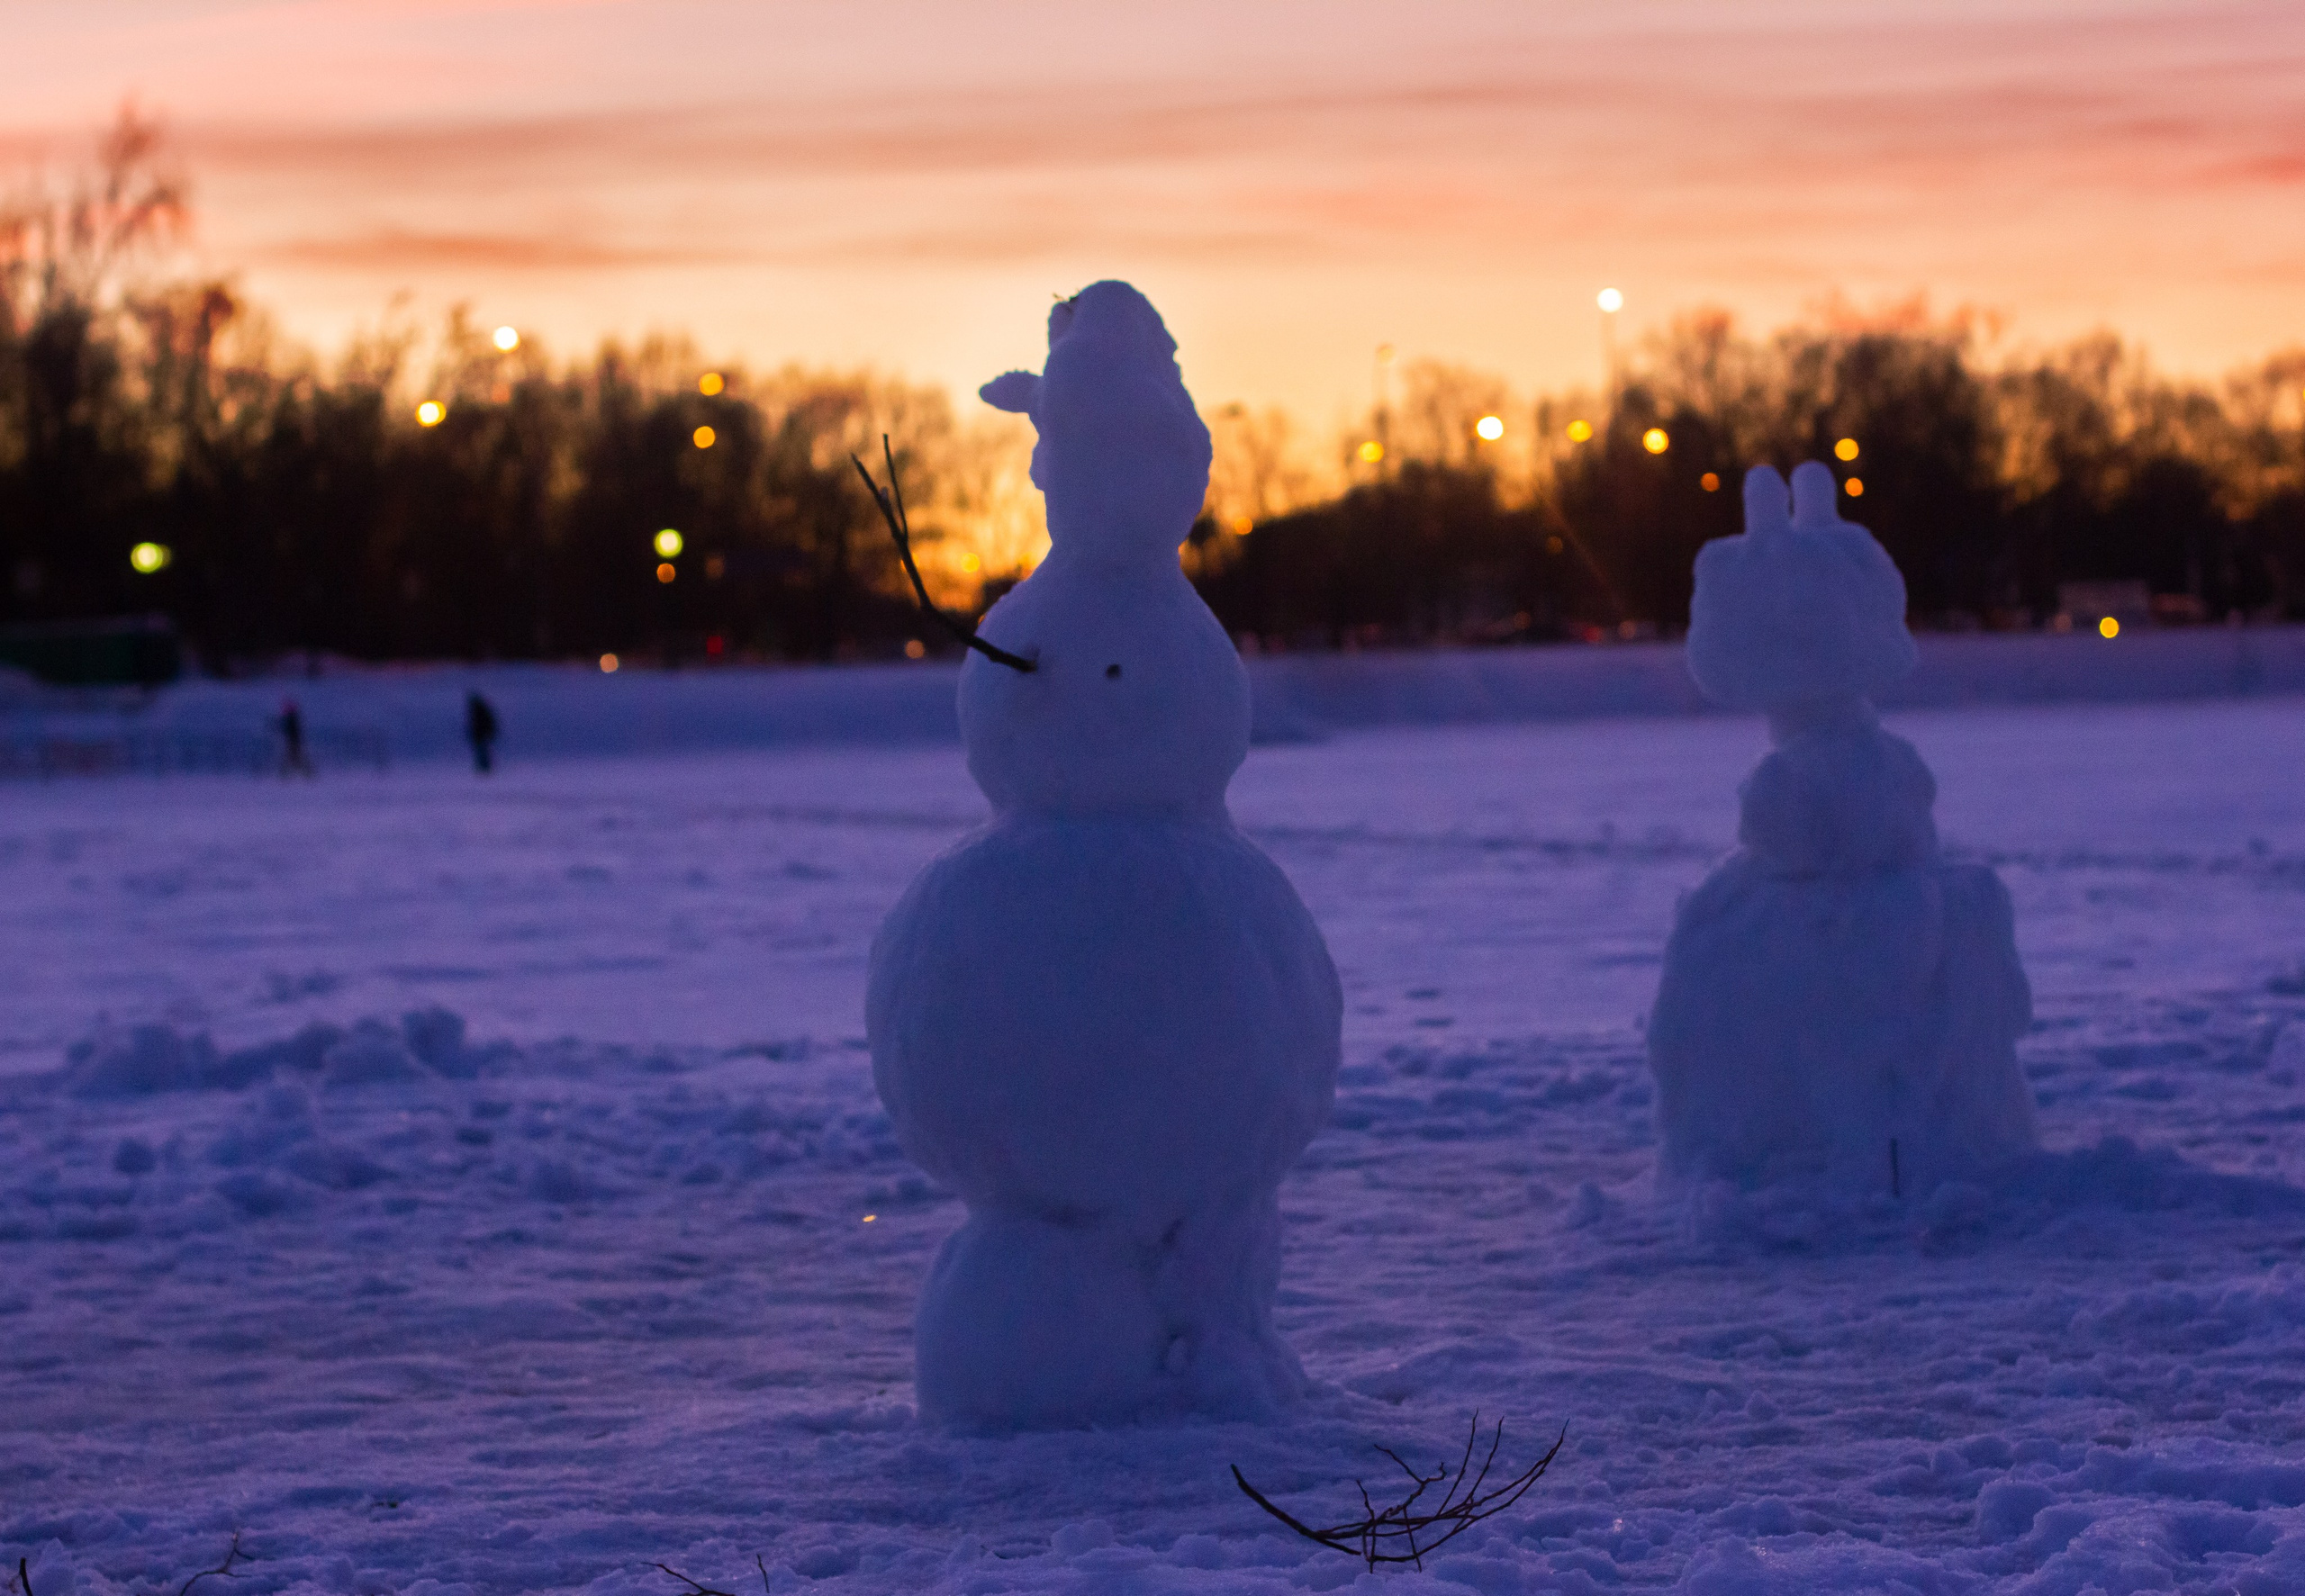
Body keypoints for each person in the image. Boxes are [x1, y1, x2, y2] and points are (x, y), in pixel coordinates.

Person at [277, 697, 313, 778]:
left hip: (293, 741)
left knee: (293, 757)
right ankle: (307, 773)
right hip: (294, 741)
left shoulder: (291, 719)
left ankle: (307, 773)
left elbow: (290, 730)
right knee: (296, 757)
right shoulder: (293, 719)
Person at [465, 690, 499, 774]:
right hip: (481, 735)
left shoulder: (478, 711)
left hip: (481, 735)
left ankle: (484, 767)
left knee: (482, 751)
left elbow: (481, 724)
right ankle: (483, 767)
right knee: (482, 751)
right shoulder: (480, 710)